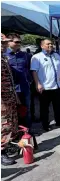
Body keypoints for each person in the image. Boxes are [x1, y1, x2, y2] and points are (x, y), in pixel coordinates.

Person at [31, 39, 60, 131]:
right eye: (48, 44)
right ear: (42, 46)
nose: (50, 45)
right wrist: (38, 84)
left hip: (57, 85)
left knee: (58, 105)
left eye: (51, 44)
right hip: (45, 87)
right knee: (44, 107)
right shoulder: (37, 57)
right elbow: (34, 71)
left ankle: (59, 121)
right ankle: (45, 124)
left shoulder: (56, 55)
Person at [6, 33, 32, 128]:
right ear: (9, 42)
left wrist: (30, 80)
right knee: (13, 111)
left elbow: (29, 69)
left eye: (20, 42)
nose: (18, 44)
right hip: (11, 89)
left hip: (24, 87)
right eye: (16, 42)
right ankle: (15, 131)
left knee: (26, 109)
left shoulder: (25, 55)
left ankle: (27, 131)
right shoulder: (4, 55)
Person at [1, 34, 19, 166]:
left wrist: (14, 95)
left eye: (5, 43)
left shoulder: (3, 58)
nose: (4, 46)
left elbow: (9, 80)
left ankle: (6, 146)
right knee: (3, 126)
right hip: (2, 100)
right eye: (2, 43)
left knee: (12, 124)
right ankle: (1, 153)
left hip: (9, 96)